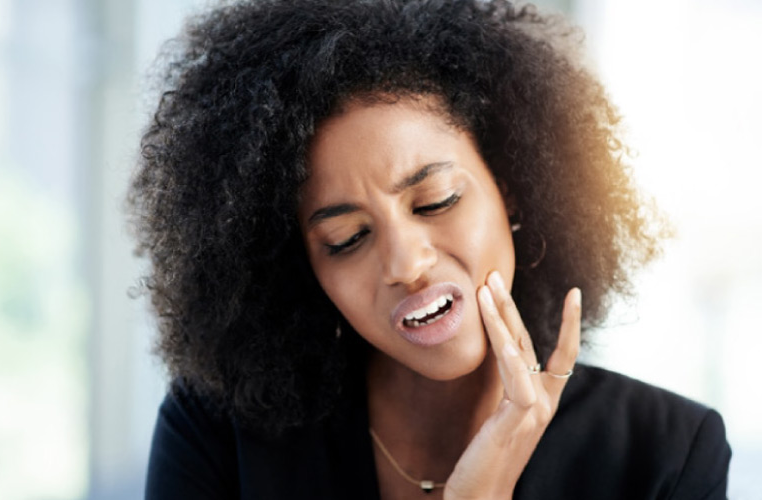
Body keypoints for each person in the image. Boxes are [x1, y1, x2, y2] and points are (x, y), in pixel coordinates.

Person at [129, 0, 731, 498]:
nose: (406, 264)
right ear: (302, 269)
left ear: (513, 189)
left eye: (436, 200)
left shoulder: (668, 455)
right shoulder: (218, 433)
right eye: (347, 239)